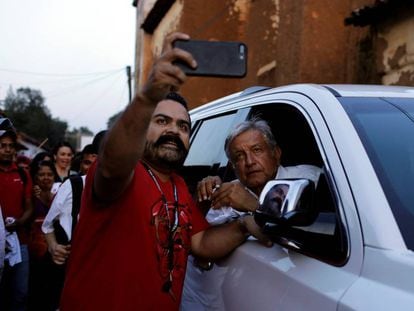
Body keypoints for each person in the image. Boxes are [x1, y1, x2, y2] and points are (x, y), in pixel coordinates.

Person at [59, 32, 265, 311]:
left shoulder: (178, 185)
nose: (173, 130)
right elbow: (112, 164)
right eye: (162, 120)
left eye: (183, 126)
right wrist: (148, 95)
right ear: (144, 127)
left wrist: (244, 225)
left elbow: (201, 242)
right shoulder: (124, 174)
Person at [180, 118, 322, 310]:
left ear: (276, 154)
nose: (249, 162)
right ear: (233, 167)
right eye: (239, 156)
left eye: (257, 150)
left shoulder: (310, 179)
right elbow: (200, 251)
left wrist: (252, 205)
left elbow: (317, 234)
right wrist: (203, 205)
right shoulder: (225, 195)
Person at [40, 133, 104, 310]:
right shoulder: (74, 186)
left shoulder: (130, 193)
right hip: (69, 274)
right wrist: (53, 247)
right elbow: (47, 225)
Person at [0, 117, 34, 311]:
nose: (7, 149)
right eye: (2, 145)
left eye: (10, 146)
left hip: (19, 242)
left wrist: (19, 223)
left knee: (20, 294)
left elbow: (29, 207)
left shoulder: (22, 174)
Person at [27, 160, 60, 311]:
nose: (46, 178)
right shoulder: (30, 195)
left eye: (49, 174)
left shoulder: (59, 193)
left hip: (53, 251)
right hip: (35, 251)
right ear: (35, 176)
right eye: (41, 174)